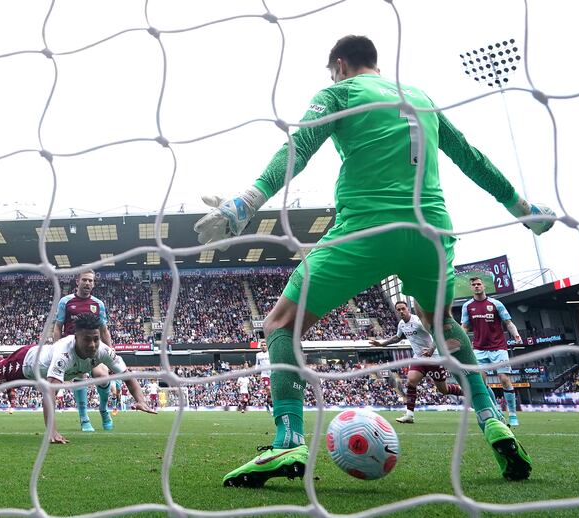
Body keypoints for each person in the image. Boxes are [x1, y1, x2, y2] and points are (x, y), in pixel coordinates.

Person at [193, 35, 554, 486]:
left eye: (332, 72)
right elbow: (471, 159)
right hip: (432, 229)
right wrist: (523, 209)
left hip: (367, 226)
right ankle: (492, 418)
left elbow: (298, 149)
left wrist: (245, 204)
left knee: (281, 325)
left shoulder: (339, 93)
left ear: (340, 65)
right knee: (440, 322)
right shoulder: (420, 97)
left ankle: (287, 441)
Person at [0, 312, 155, 444]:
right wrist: (51, 430)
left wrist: (141, 399)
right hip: (25, 363)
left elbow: (128, 375)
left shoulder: (103, 351)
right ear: (76, 336)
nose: (93, 345)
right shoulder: (64, 354)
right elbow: (50, 393)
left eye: (96, 339)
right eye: (87, 340)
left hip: (29, 359)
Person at [369, 300, 463, 423]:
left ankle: (467, 392)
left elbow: (436, 334)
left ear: (408, 309)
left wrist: (431, 350)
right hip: (418, 358)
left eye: (403, 308)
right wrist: (382, 344)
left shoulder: (418, 322)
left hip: (433, 357)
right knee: (411, 381)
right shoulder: (402, 324)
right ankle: (409, 415)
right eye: (398, 310)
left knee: (443, 390)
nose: (401, 311)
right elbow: (398, 337)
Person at [53, 270, 113, 432]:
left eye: (90, 281)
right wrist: (56, 348)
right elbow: (58, 327)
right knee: (81, 375)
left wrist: (111, 352)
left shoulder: (98, 304)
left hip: (93, 347)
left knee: (102, 375)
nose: (87, 283)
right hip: (71, 348)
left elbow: (104, 330)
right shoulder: (65, 302)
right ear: (77, 281)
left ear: (94, 284)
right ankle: (84, 418)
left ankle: (103, 409)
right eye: (84, 280)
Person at [462, 277, 523, 426]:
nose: (476, 286)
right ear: (471, 288)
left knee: (504, 379)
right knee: (481, 383)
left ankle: (513, 414)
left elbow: (508, 322)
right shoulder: (467, 306)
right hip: (479, 349)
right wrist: (461, 341)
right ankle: (495, 409)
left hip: (499, 348)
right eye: (474, 285)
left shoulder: (496, 304)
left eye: (479, 284)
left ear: (484, 286)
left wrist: (516, 335)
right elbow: (464, 327)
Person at [255, 342, 273, 413]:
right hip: (264, 374)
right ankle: (270, 404)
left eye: (264, 345)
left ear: (267, 346)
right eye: (262, 345)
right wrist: (256, 373)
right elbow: (257, 364)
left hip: (272, 374)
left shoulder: (271, 353)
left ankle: (269, 404)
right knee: (268, 388)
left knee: (271, 392)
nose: (263, 346)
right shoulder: (258, 355)